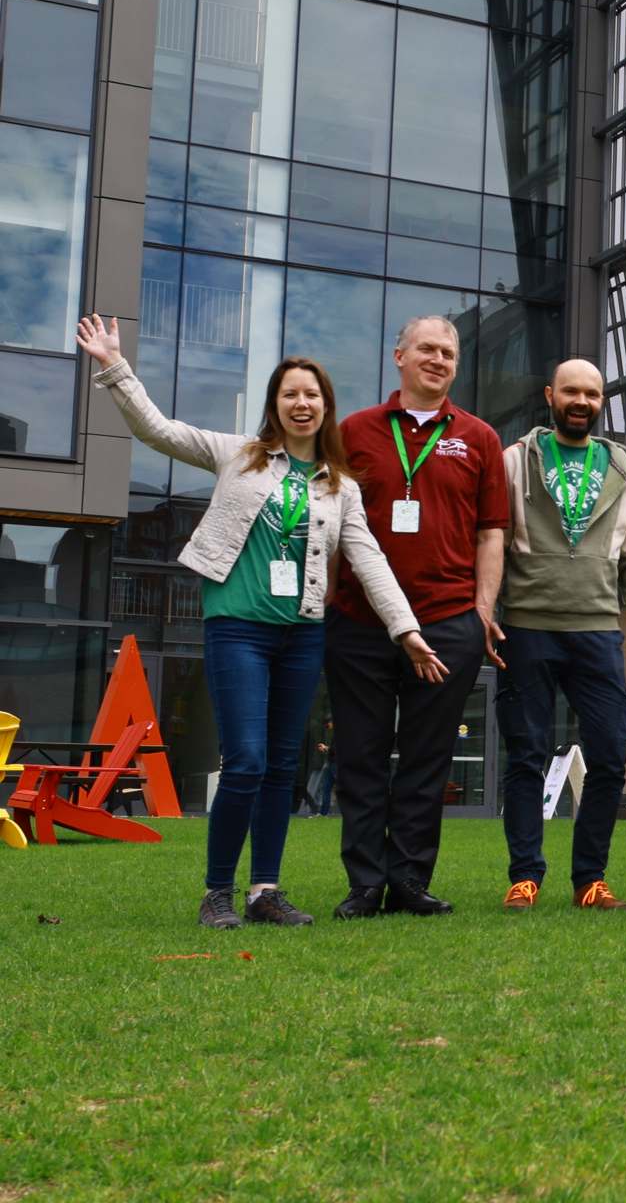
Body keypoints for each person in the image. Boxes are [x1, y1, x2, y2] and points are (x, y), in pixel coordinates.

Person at [76, 314, 445, 930]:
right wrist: (115, 368)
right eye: (290, 394)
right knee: (245, 761)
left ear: (326, 408)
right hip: (238, 627)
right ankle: (217, 891)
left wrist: (406, 631)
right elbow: (158, 430)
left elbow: (371, 561)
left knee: (280, 765)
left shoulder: (340, 488)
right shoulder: (237, 456)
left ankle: (264, 892)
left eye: (313, 395)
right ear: (276, 405)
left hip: (301, 634)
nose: (302, 403)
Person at [324, 316, 509, 920]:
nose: (437, 360)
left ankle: (408, 881)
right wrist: (324, 594)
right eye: (426, 349)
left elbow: (491, 533)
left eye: (448, 353)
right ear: (399, 355)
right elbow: (327, 522)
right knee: (361, 756)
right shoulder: (353, 432)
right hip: (359, 621)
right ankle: (363, 884)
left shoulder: (479, 438)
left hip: (447, 618)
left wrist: (481, 611)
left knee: (428, 759)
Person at [495, 358, 626, 912]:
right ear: (551, 395)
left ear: (600, 402)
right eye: (571, 391)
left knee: (611, 758)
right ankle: (525, 876)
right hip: (527, 627)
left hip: (596, 632)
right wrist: (485, 609)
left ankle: (589, 880)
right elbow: (490, 543)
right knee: (525, 756)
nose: (581, 401)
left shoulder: (624, 467)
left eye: (591, 394)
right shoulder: (515, 461)